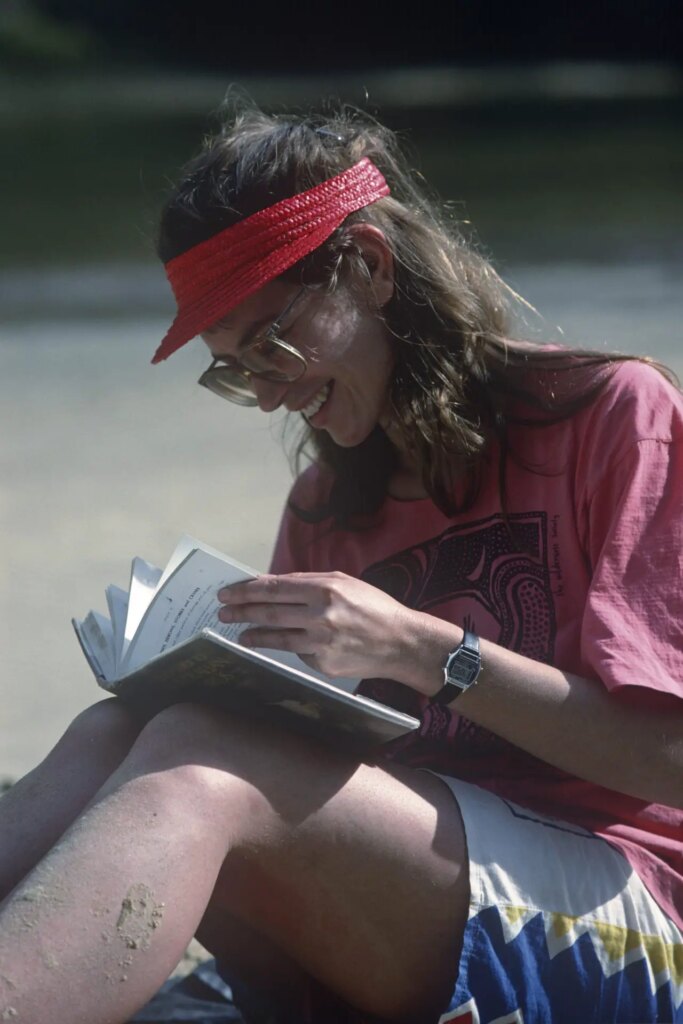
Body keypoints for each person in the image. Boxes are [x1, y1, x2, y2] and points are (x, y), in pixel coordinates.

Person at [0, 101, 681, 1024]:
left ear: (366, 267)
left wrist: (420, 649)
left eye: (271, 345)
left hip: (625, 906)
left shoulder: (612, 416)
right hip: (416, 896)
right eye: (236, 371)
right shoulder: (326, 504)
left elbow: (665, 759)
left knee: (199, 757)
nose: (272, 393)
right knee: (114, 731)